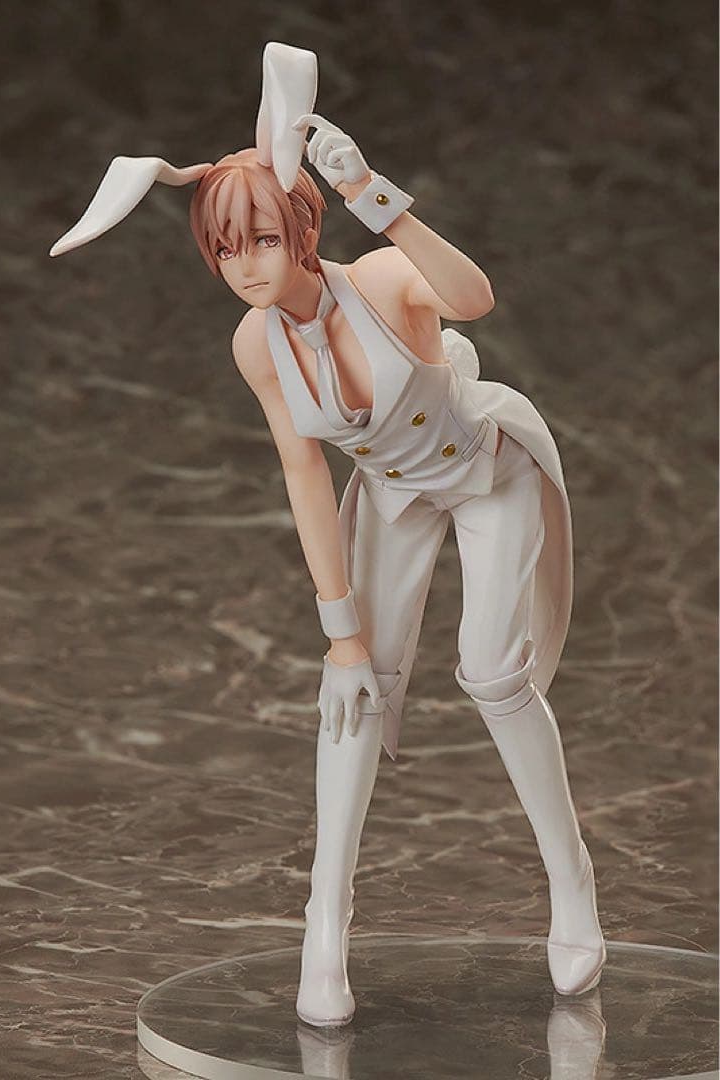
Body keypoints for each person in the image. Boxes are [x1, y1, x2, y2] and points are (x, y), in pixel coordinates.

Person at [187, 118, 607, 1027]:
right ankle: (323, 923)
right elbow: (304, 474)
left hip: (487, 471)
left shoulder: (378, 279)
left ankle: (571, 884)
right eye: (225, 248)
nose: (246, 266)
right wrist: (339, 632)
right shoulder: (256, 344)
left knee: (494, 674)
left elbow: (473, 299)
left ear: (302, 230)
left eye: (262, 239)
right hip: (391, 496)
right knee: (351, 689)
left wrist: (368, 193)